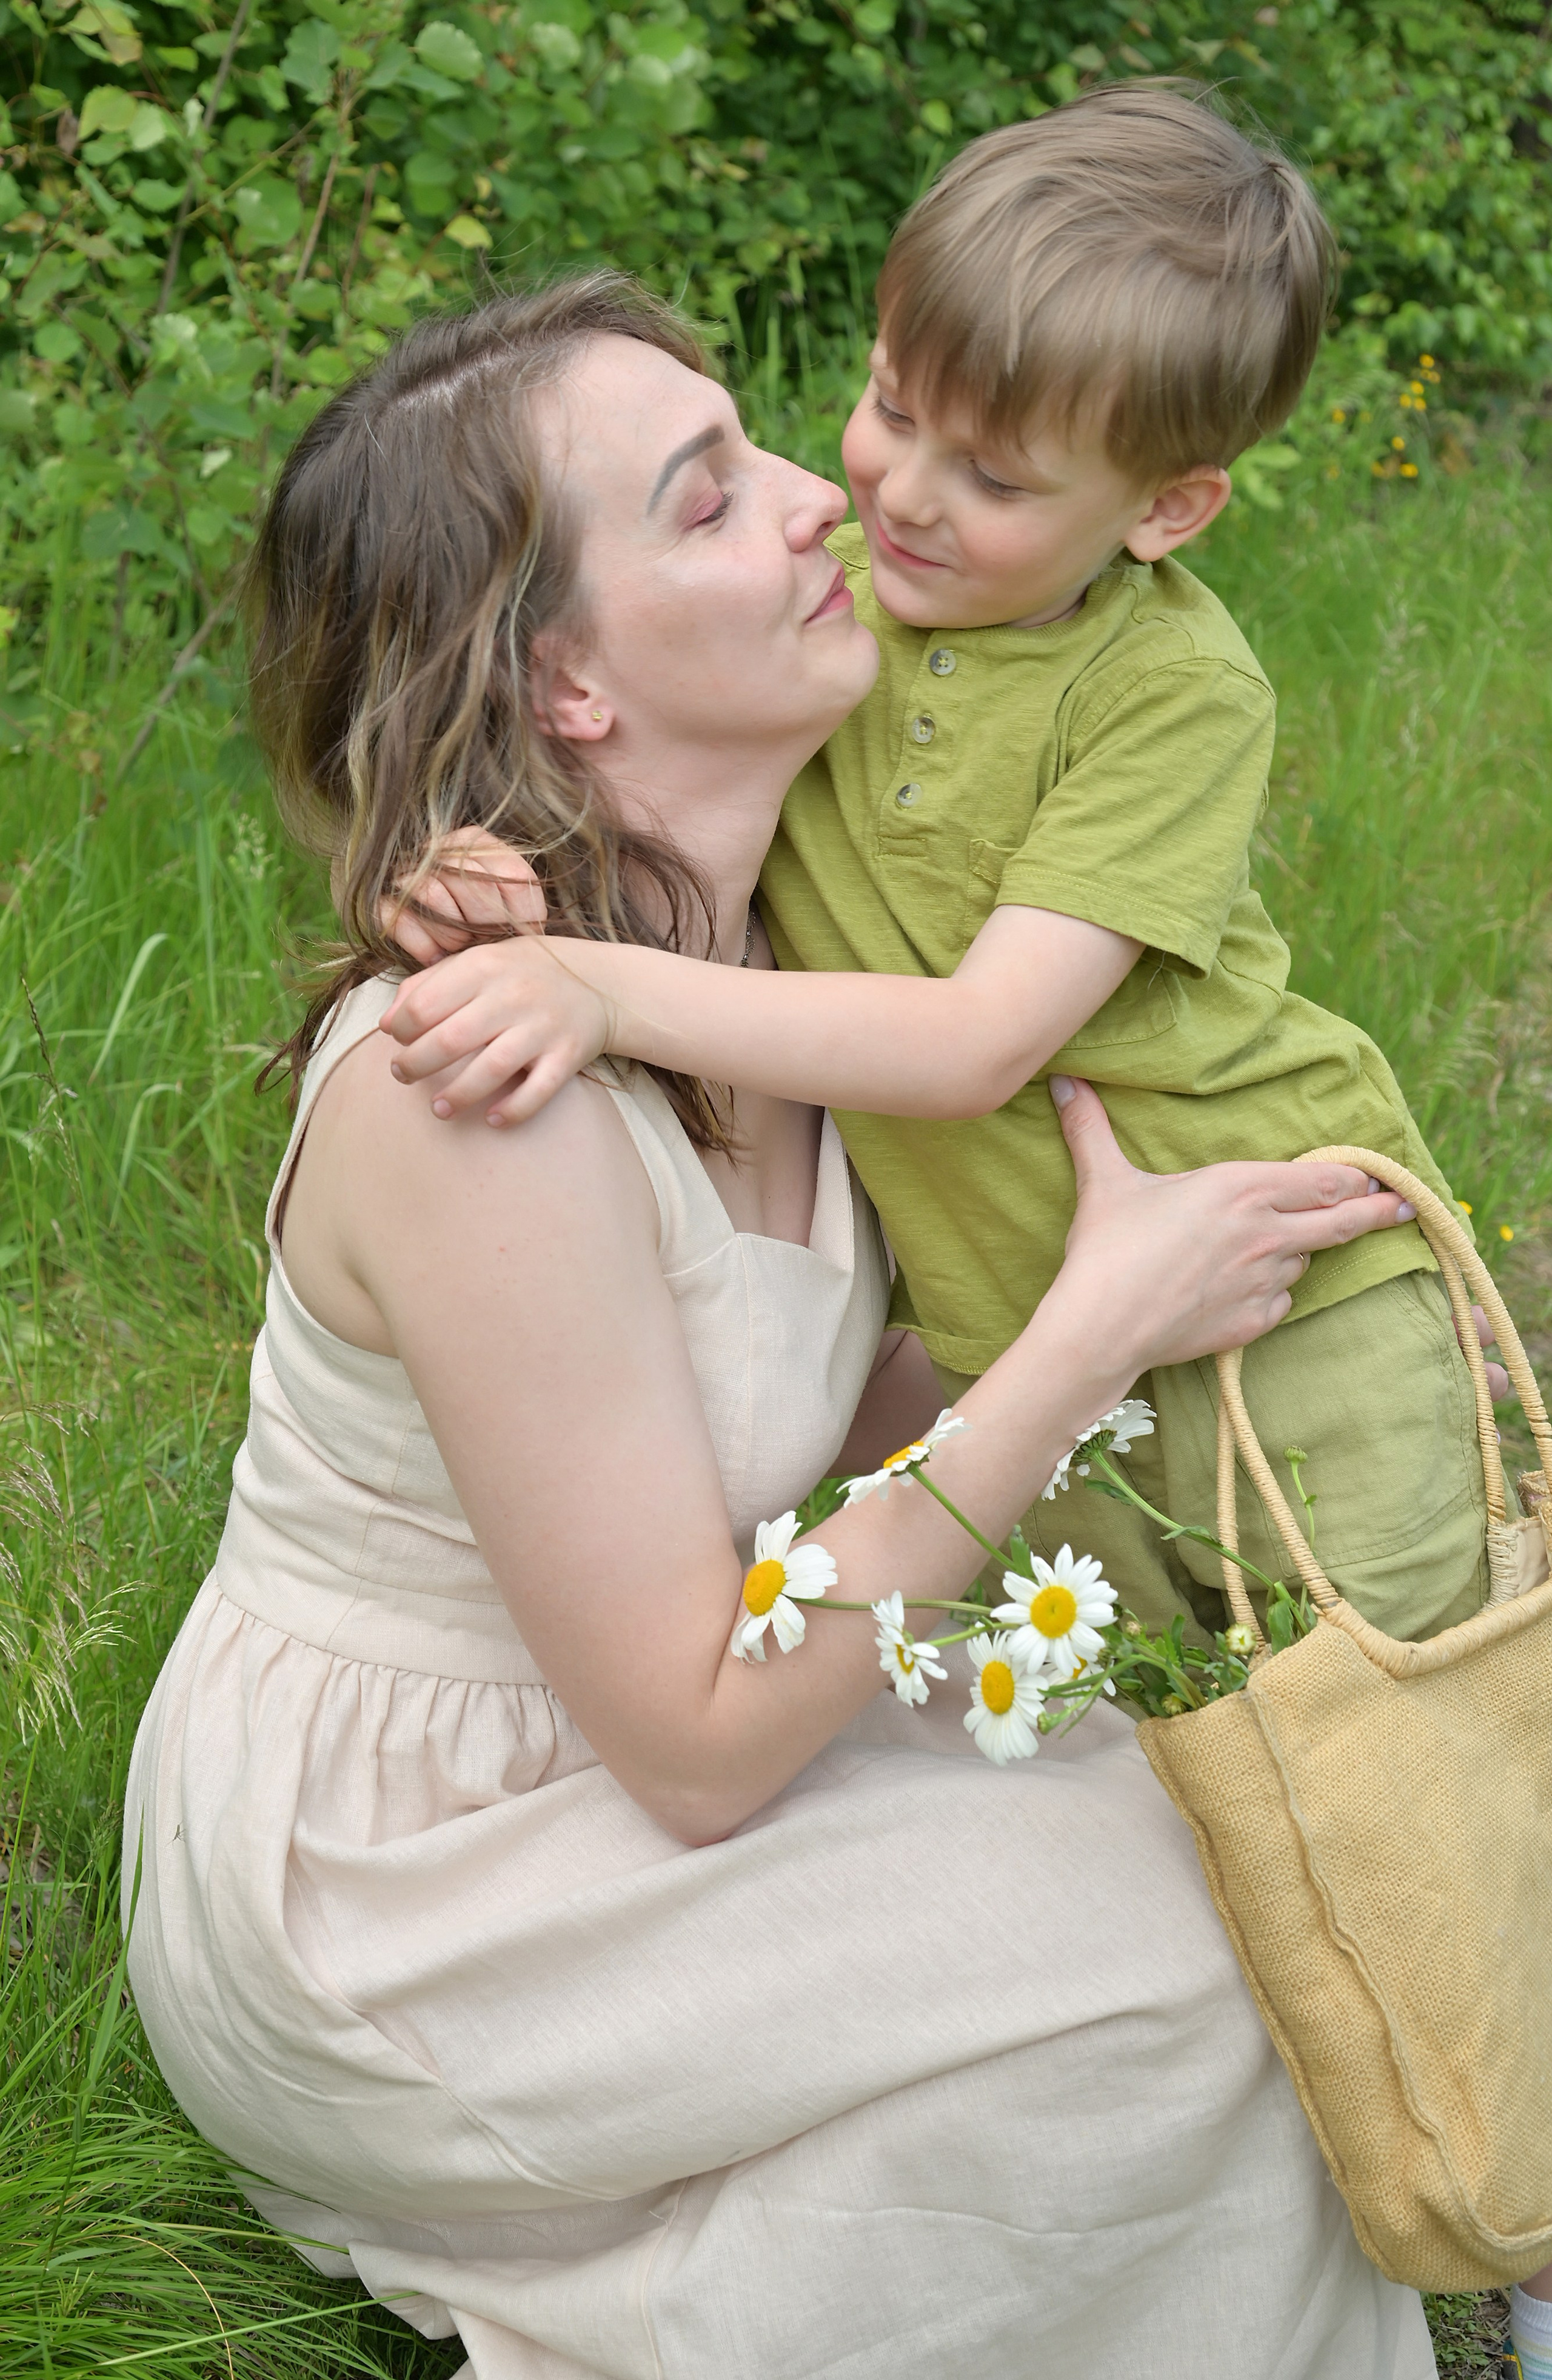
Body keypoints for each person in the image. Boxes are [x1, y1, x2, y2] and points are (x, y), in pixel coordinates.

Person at [123, 276, 1440, 2380]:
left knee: (1254, 1855)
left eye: (760, 443)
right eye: (709, 497)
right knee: (1186, 1974)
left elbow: (813, 1399)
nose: (825, 493)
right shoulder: (478, 1093)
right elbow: (700, 1739)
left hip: (638, 1739)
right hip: (409, 1877)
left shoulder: (788, 977)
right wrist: (1090, 1337)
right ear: (564, 680)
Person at [379, 81, 1488, 1654]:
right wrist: (464, 873)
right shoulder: (825, 609)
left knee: (1411, 1708)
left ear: (1167, 509)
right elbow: (628, 754)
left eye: (998, 478)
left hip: (1282, 1287)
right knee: (1172, 1736)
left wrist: (593, 987)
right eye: (895, 407)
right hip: (1022, 1341)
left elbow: (979, 1041)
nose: (902, 492)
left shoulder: (1168, 690)